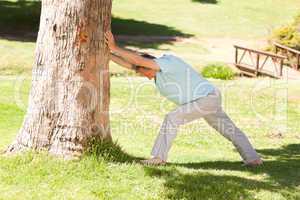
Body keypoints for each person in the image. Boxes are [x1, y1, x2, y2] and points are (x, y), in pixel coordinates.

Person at [105, 31, 263, 167]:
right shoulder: (158, 76)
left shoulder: (168, 62)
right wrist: (108, 54)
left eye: (143, 71)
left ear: (149, 64)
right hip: (206, 99)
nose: (143, 75)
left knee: (172, 118)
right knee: (229, 129)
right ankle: (253, 159)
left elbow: (138, 61)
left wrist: (114, 47)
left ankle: (159, 158)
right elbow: (132, 64)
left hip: (206, 98)